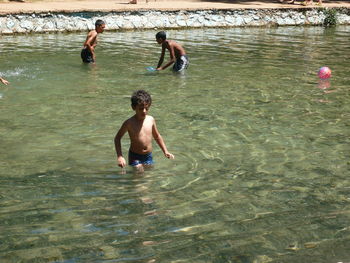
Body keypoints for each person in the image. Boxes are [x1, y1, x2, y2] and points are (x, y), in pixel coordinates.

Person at [114, 90, 174, 171]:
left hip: (148, 156)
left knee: (148, 177)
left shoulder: (151, 120)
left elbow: (157, 136)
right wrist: (120, 156)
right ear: (133, 107)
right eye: (141, 108)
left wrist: (165, 151)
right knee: (139, 172)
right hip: (135, 156)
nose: (144, 111)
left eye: (146, 108)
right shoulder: (129, 123)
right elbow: (117, 138)